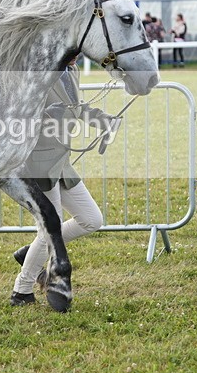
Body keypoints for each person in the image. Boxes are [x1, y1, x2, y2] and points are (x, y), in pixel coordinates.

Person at [10, 58, 120, 306]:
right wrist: (46, 114)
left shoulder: (71, 70)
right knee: (51, 227)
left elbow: (76, 107)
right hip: (38, 164)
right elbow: (19, 113)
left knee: (91, 219)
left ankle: (31, 254)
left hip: (61, 162)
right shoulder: (36, 70)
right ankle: (22, 290)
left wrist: (102, 119)